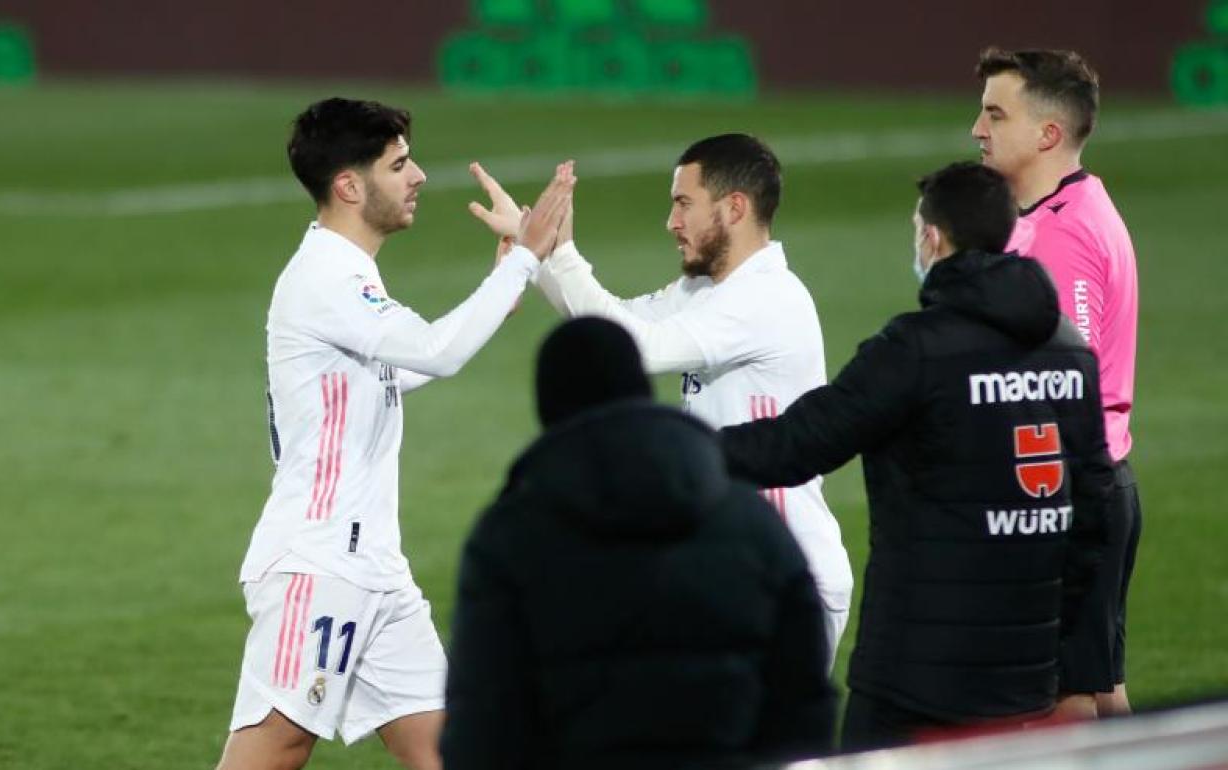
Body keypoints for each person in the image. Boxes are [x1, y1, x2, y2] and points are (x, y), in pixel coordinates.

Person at [216, 97, 574, 770]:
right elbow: (437, 351)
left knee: (449, 751)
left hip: (375, 570)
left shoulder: (349, 273)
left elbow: (398, 372)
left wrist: (501, 284)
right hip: (319, 563)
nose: (419, 176)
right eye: (399, 164)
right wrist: (524, 260)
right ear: (349, 186)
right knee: (276, 748)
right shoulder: (326, 277)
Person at [718, 162, 1117, 751]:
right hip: (1024, 678)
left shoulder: (917, 350)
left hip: (914, 679)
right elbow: (1096, 511)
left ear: (932, 237)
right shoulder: (1070, 353)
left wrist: (679, 447)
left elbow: (797, 444)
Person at [468, 135, 853, 661]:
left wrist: (558, 254)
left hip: (786, 572)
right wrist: (540, 250)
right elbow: (610, 323)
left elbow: (636, 348)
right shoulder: (705, 290)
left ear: (735, 207)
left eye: (684, 204)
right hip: (740, 558)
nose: (671, 222)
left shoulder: (767, 297)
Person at [439, 317, 838, 769]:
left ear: (548, 411)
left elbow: (482, 726)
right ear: (643, 390)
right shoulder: (753, 524)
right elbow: (804, 705)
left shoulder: (509, 538)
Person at [973, 47, 1142, 716]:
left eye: (995, 115)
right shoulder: (1074, 207)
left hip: (1065, 487)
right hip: (1090, 483)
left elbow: (1072, 377)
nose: (977, 130)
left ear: (1047, 133)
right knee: (1099, 689)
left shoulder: (1062, 233)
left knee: (1057, 702)